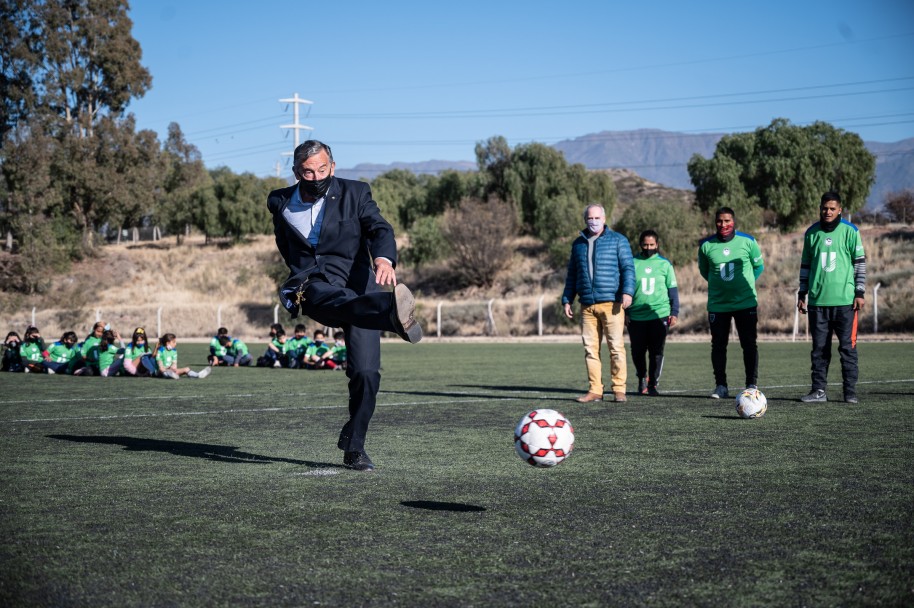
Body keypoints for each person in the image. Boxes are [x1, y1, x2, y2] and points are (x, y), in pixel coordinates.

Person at [268, 139, 421, 471]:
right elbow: (284, 242)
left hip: (361, 288)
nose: (316, 176)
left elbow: (379, 228)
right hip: (313, 286)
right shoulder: (279, 201)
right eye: (307, 172)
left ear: (333, 167)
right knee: (338, 300)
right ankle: (389, 314)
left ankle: (355, 445)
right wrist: (295, 276)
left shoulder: (356, 193)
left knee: (366, 374)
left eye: (322, 169)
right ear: (296, 172)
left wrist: (383, 260)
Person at [797, 192, 866, 404]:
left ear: (840, 210)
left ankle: (850, 392)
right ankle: (819, 391)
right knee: (819, 351)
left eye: (832, 208)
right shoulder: (811, 233)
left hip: (845, 303)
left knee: (847, 349)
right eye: (825, 208)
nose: (828, 212)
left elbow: (859, 263)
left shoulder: (851, 231)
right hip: (818, 303)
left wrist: (860, 292)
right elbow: (806, 266)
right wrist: (802, 292)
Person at [562, 204, 635, 403]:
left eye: (596, 218)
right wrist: (567, 298)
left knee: (616, 347)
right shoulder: (578, 244)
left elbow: (628, 268)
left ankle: (619, 389)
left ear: (604, 218)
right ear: (585, 220)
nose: (593, 221)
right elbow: (572, 275)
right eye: (589, 218)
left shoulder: (618, 240)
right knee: (590, 350)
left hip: (612, 304)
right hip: (587, 305)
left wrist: (627, 292)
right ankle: (595, 390)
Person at [698, 207, 764, 399]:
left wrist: (747, 284)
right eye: (720, 221)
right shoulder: (706, 246)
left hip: (745, 303)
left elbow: (758, 266)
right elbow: (705, 271)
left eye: (727, 221)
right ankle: (721, 386)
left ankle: (751, 384)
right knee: (718, 345)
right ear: (715, 222)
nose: (723, 225)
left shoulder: (748, 241)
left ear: (733, 222)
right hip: (718, 305)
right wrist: (720, 287)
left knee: (749, 344)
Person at [627, 230, 679, 396]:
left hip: (660, 315)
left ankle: (653, 384)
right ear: (640, 245)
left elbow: (673, 290)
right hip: (636, 315)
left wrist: (674, 312)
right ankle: (641, 377)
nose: (648, 248)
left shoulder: (665, 264)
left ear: (657, 245)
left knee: (656, 351)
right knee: (637, 351)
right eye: (645, 245)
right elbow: (625, 289)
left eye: (651, 245)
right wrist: (625, 311)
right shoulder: (632, 262)